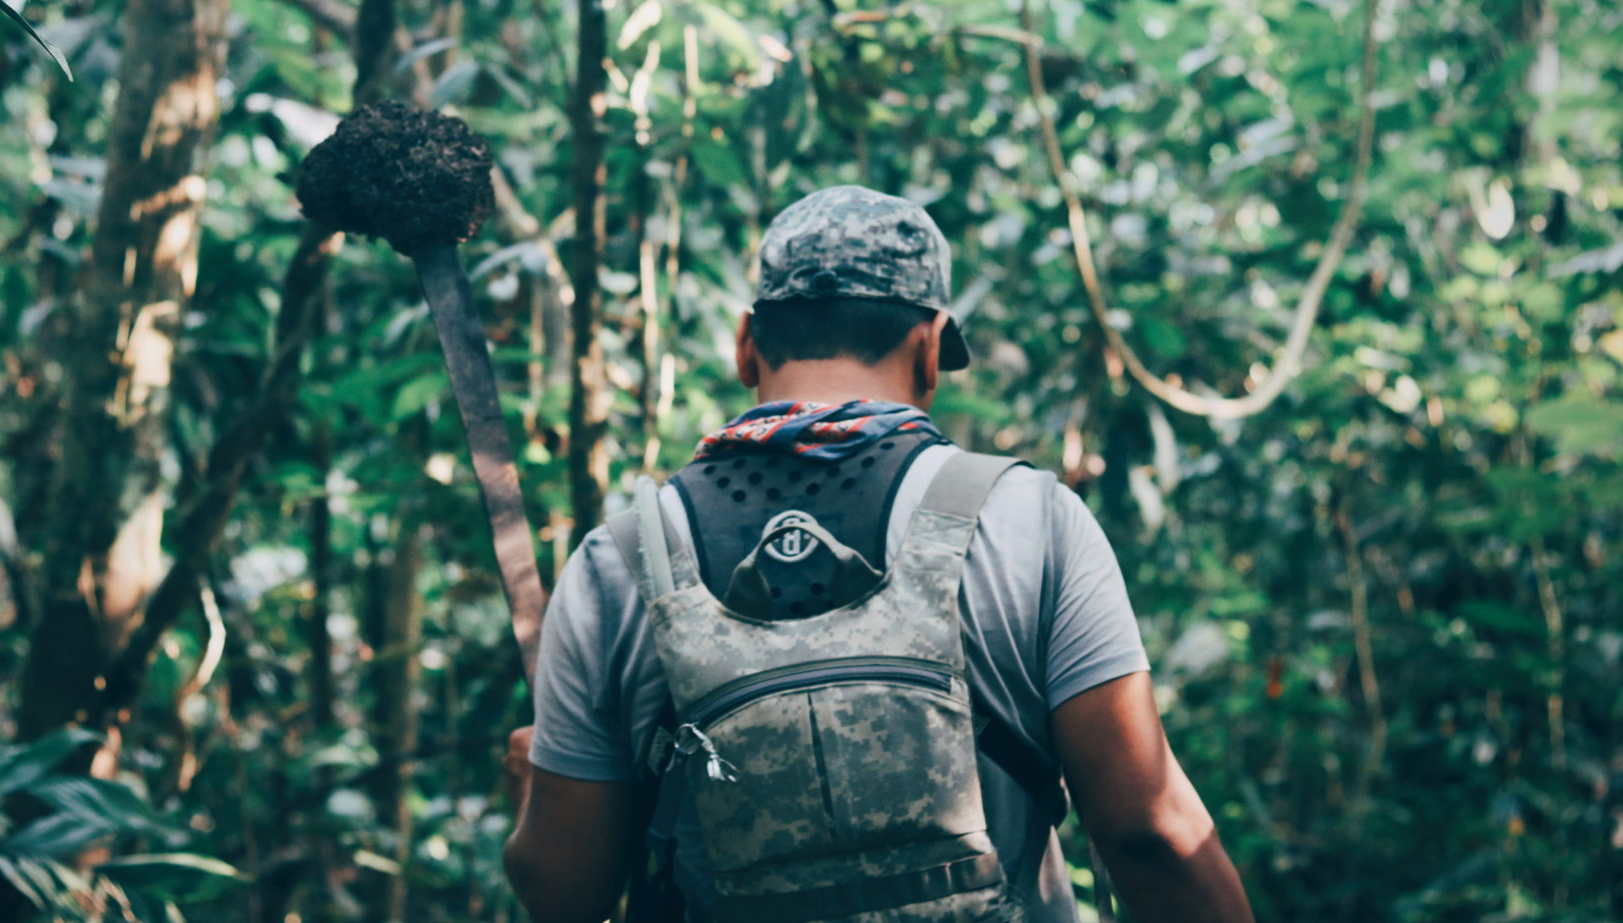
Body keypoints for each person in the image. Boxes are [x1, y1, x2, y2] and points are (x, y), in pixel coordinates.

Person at [502, 185, 1254, 923]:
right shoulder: (1033, 520)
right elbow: (1150, 833)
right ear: (929, 347)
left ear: (745, 344)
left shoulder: (620, 561)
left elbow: (565, 892)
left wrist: (535, 793)